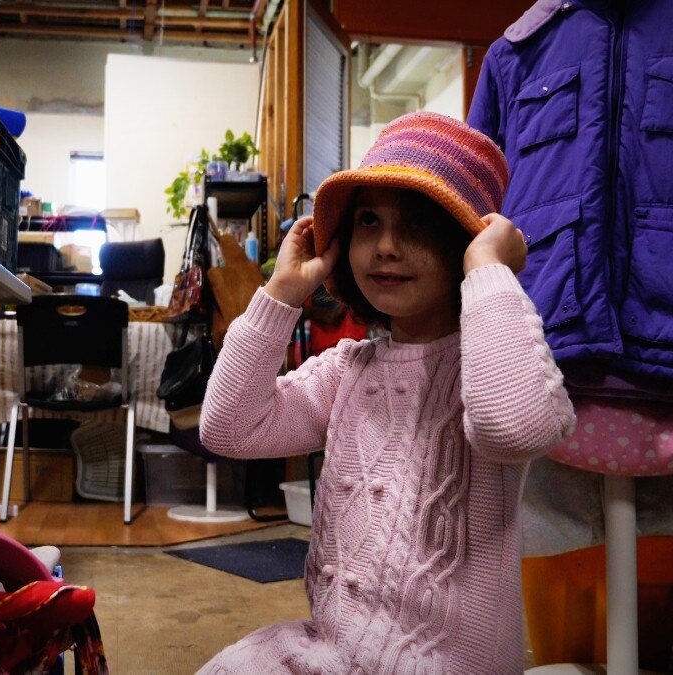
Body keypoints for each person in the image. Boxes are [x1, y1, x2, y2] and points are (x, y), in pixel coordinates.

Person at [197, 112, 576, 673]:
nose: (386, 246)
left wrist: (487, 267)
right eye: (368, 221)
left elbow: (516, 428)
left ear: (464, 241)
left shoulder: (491, 362)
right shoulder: (349, 370)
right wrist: (281, 294)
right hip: (330, 650)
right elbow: (227, 427)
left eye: (418, 223)